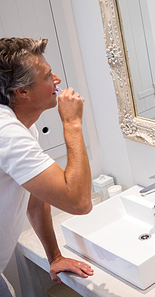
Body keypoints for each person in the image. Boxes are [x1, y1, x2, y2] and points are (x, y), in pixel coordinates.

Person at [0, 37, 94, 295]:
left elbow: (35, 198)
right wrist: (72, 124)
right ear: (22, 91)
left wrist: (54, 256)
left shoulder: (22, 127)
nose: (57, 80)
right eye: (47, 75)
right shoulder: (6, 133)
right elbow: (79, 202)